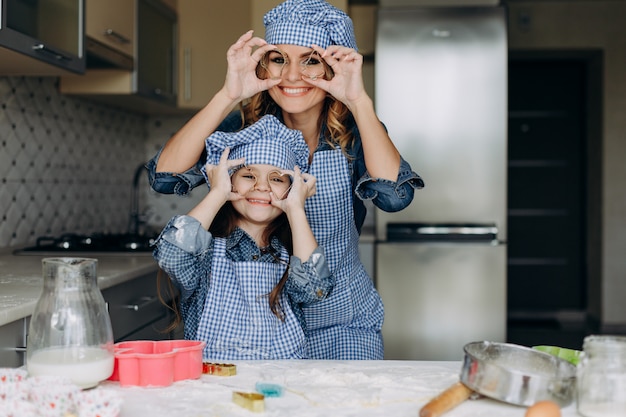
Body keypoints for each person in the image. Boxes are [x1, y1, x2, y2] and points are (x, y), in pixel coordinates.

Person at [147, 0, 424, 359]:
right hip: (260, 328)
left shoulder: (355, 135)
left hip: (341, 321)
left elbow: (394, 197)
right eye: (279, 59)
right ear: (264, 66)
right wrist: (228, 95)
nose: (292, 76)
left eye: (310, 60)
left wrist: (358, 100)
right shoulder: (245, 131)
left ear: (331, 68)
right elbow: (165, 178)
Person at [153, 114, 334, 360]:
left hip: (281, 381)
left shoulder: (291, 254)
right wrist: (217, 193)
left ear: (291, 189)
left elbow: (315, 290)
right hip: (214, 381)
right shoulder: (206, 253)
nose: (262, 187)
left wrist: (296, 209)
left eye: (277, 179)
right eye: (249, 175)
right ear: (229, 181)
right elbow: (172, 255)